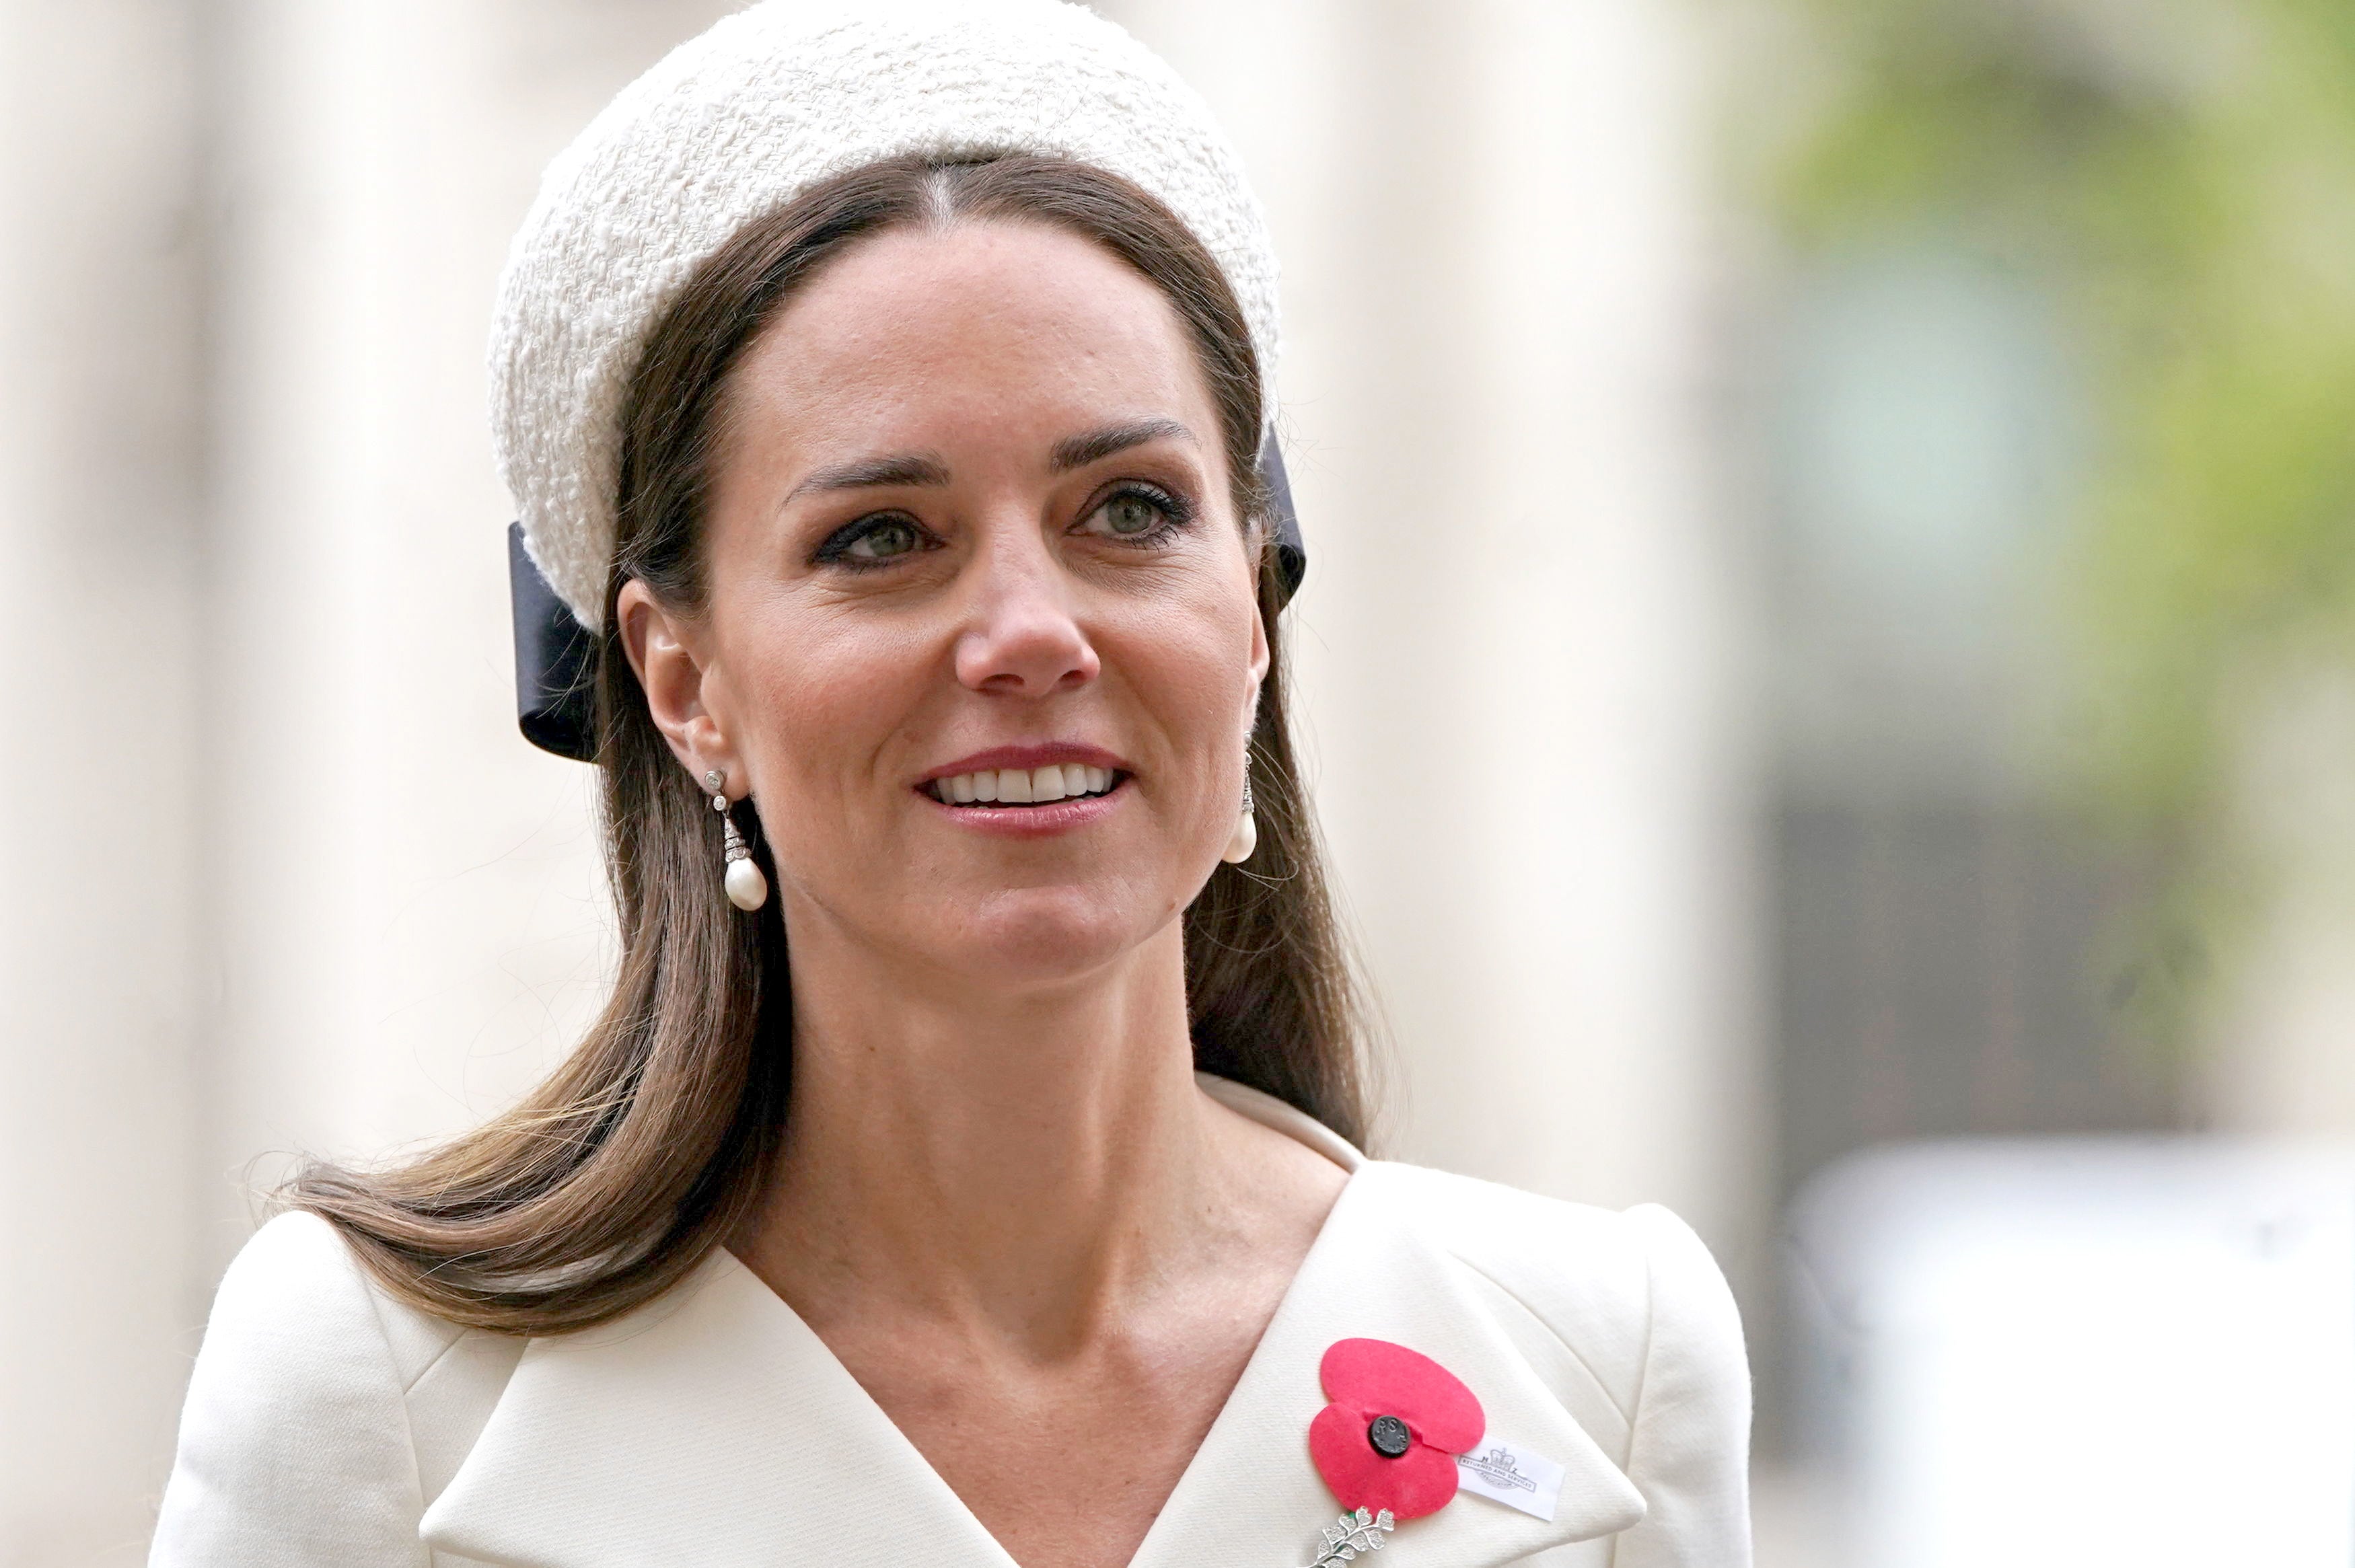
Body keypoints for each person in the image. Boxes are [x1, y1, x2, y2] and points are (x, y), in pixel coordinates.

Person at [149, 3, 1751, 1565]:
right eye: (880, 538)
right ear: (682, 681)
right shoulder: (388, 1394)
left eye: (1128, 509)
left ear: (1253, 609)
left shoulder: (1601, 1358)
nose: (1031, 634)